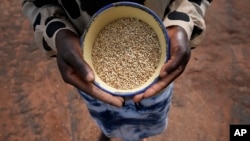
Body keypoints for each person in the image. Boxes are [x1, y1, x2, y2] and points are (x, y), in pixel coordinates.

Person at [22, 0, 212, 141]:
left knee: (148, 116)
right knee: (105, 113)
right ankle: (108, 131)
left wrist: (182, 22)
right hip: (87, 69)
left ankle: (136, 135)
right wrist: (56, 31)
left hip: (158, 77)